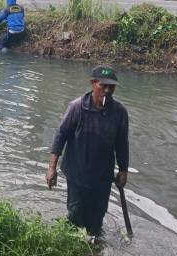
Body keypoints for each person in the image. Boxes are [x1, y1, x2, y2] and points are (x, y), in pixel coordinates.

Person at [46, 65, 129, 236]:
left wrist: (123, 170)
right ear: (93, 83)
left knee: (97, 217)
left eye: (111, 87)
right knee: (76, 214)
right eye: (103, 86)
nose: (107, 91)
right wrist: (51, 168)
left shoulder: (119, 112)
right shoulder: (77, 107)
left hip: (102, 176)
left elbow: (122, 143)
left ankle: (94, 243)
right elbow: (60, 136)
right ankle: (71, 243)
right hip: (77, 173)